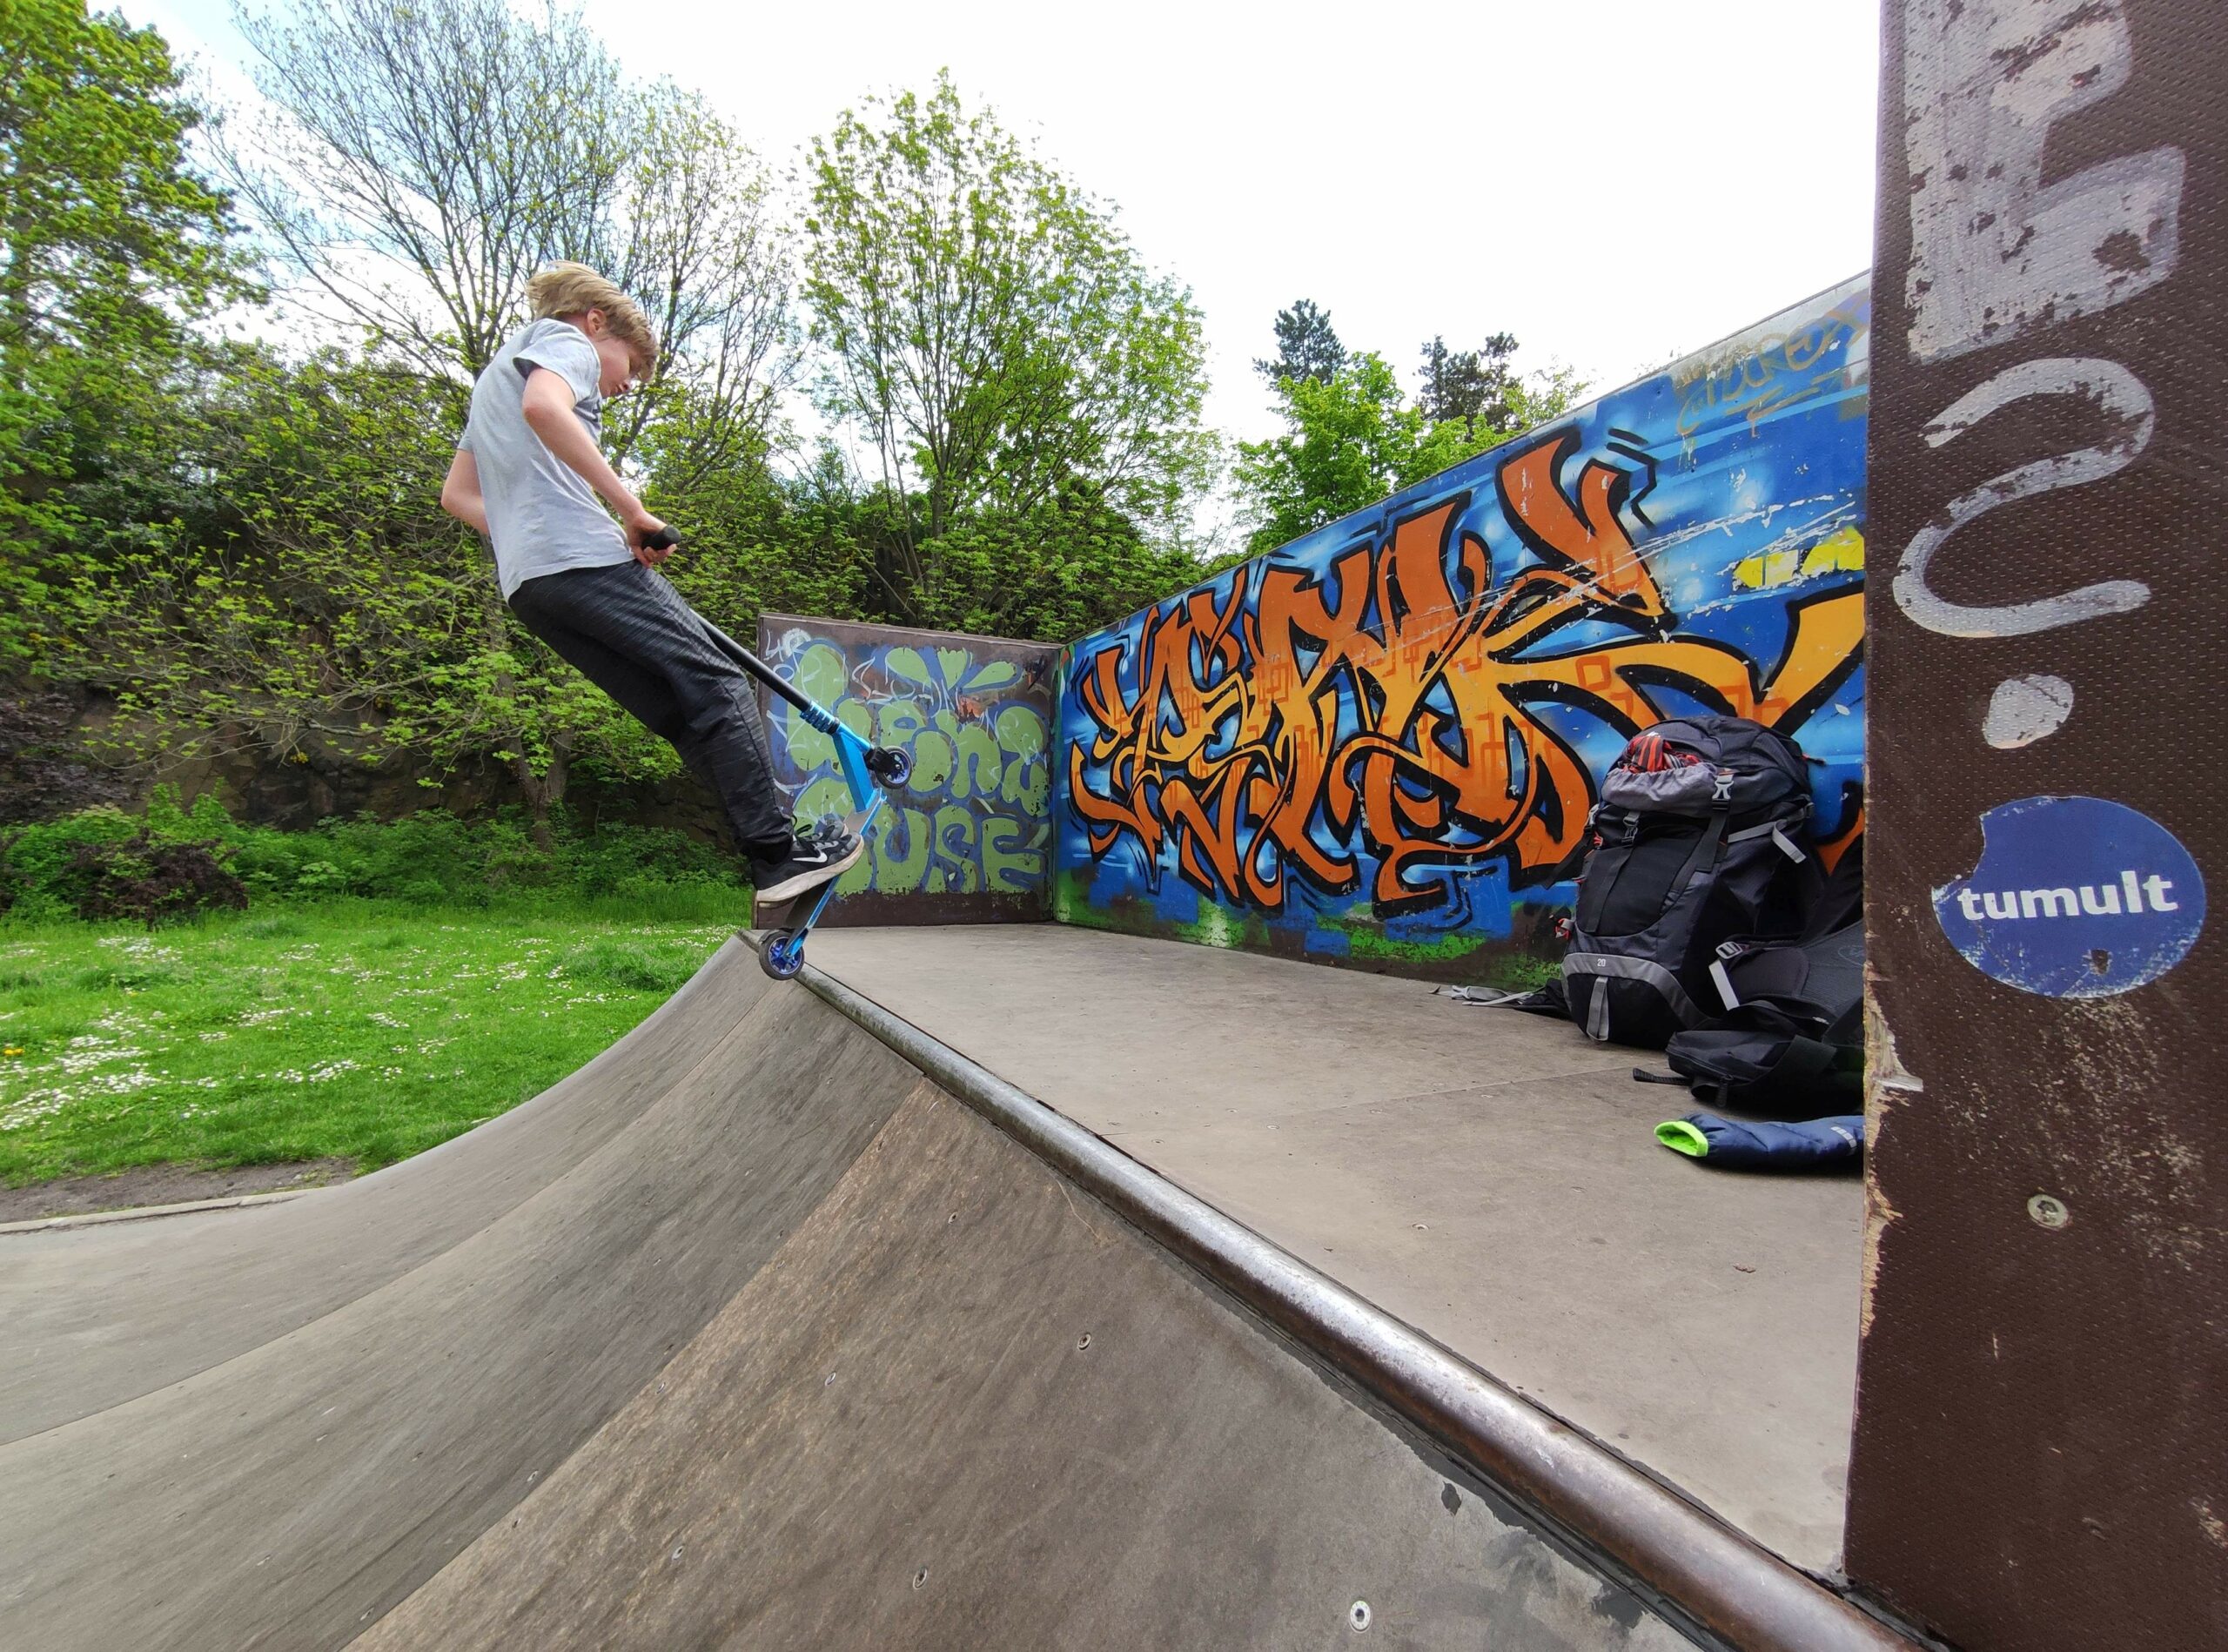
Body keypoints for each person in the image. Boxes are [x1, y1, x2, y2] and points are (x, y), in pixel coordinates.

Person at [438, 262, 860, 905]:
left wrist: (537, 528)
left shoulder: (490, 382)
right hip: (580, 561)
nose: (627, 385)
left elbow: (457, 496)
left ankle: (769, 859)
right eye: (631, 367)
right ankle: (779, 855)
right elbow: (544, 407)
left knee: (681, 713)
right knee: (718, 681)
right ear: (596, 322)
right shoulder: (566, 340)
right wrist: (630, 512)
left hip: (530, 586)